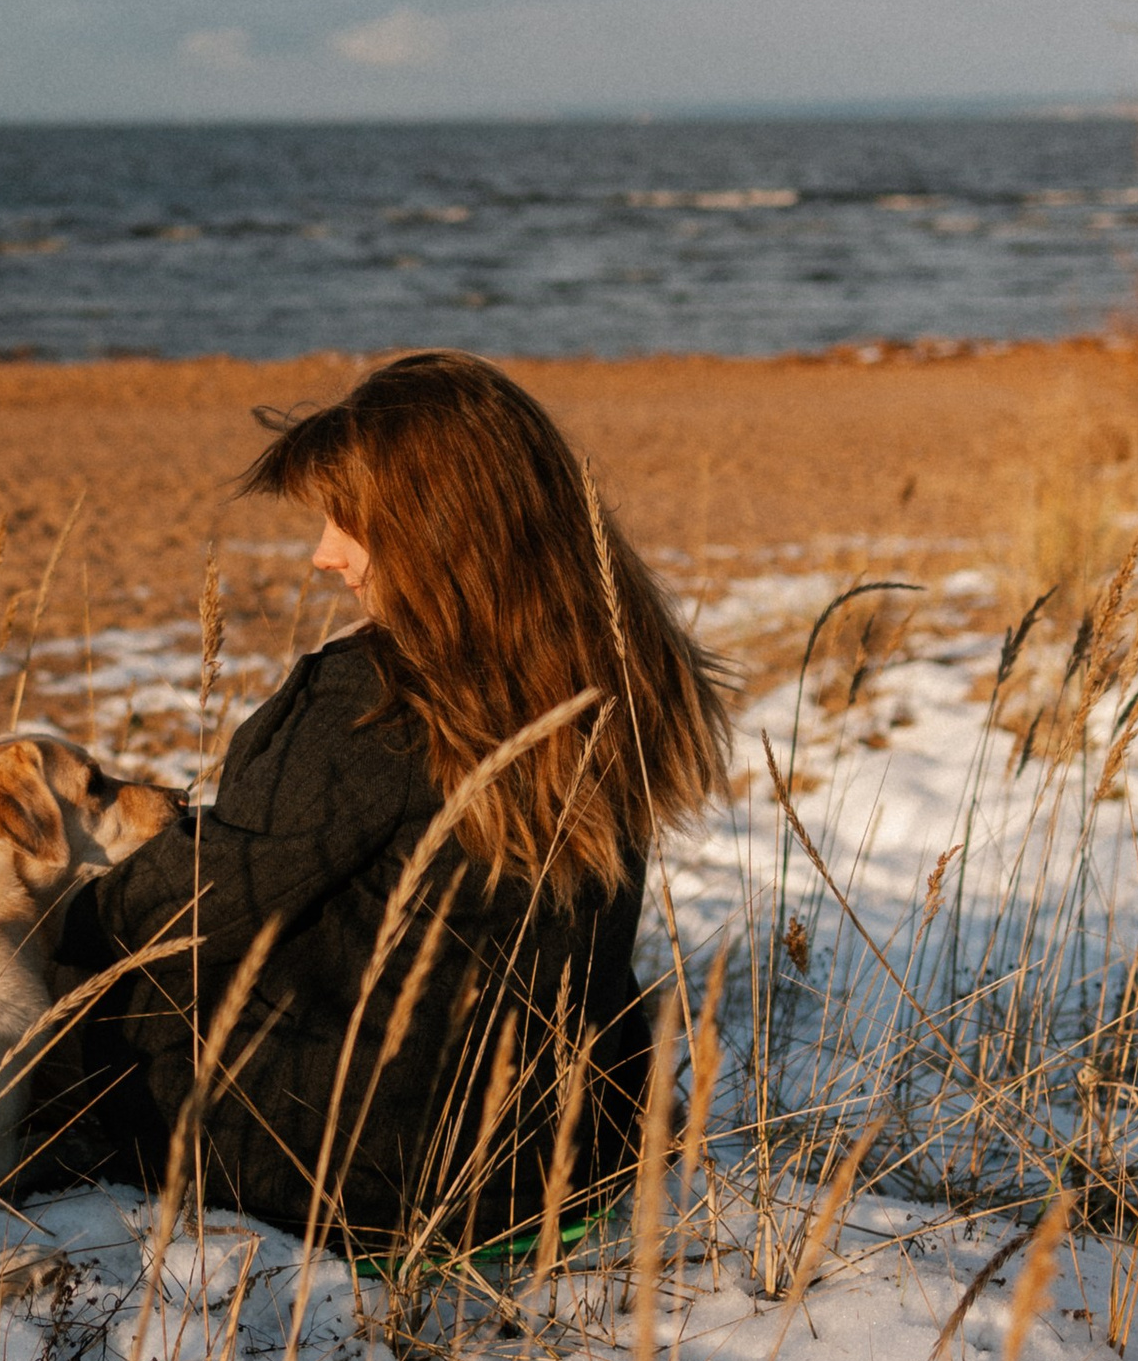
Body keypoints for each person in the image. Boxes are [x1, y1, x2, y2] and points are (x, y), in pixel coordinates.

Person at [37, 351, 731, 1255]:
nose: (323, 553)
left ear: (434, 530)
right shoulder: (618, 659)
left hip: (376, 1178)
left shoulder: (375, 700)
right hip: (569, 1155)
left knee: (86, 1009)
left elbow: (204, 896)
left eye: (349, 523)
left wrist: (61, 918)